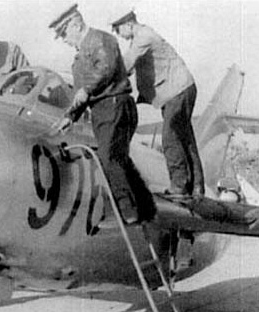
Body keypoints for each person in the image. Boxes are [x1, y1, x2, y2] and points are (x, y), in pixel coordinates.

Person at [49, 4, 157, 224]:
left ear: (76, 25)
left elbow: (105, 69)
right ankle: (146, 208)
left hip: (114, 105)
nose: (63, 39)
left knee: (108, 159)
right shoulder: (79, 59)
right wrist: (70, 116)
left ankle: (126, 211)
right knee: (119, 159)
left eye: (63, 33)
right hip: (103, 109)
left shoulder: (100, 40)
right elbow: (82, 95)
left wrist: (86, 90)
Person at [110, 9, 205, 197]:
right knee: (184, 138)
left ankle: (179, 187)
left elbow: (126, 65)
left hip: (176, 91)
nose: (118, 34)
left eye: (117, 29)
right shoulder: (142, 36)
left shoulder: (143, 37)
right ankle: (196, 187)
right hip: (179, 90)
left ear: (129, 24)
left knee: (170, 138)